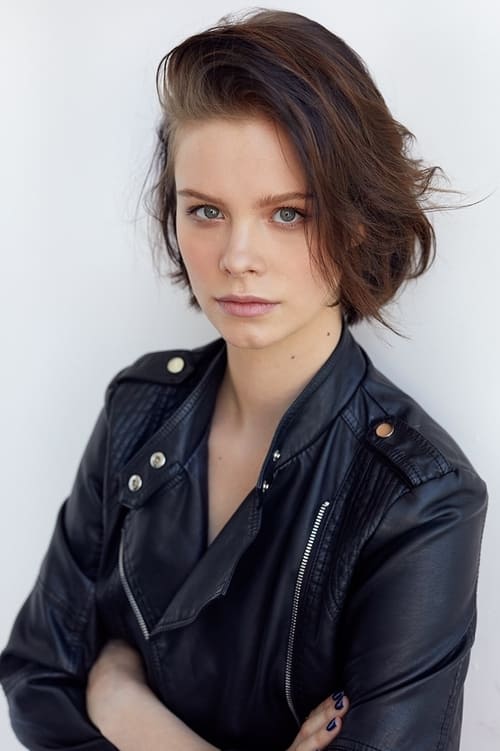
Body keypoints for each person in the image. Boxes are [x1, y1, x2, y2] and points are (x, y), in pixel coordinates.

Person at [0, 8, 488, 751]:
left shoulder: (420, 495)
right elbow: (37, 677)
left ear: (358, 221)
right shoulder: (139, 410)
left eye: (287, 214)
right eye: (206, 211)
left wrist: (123, 703)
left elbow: (74, 686)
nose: (236, 258)